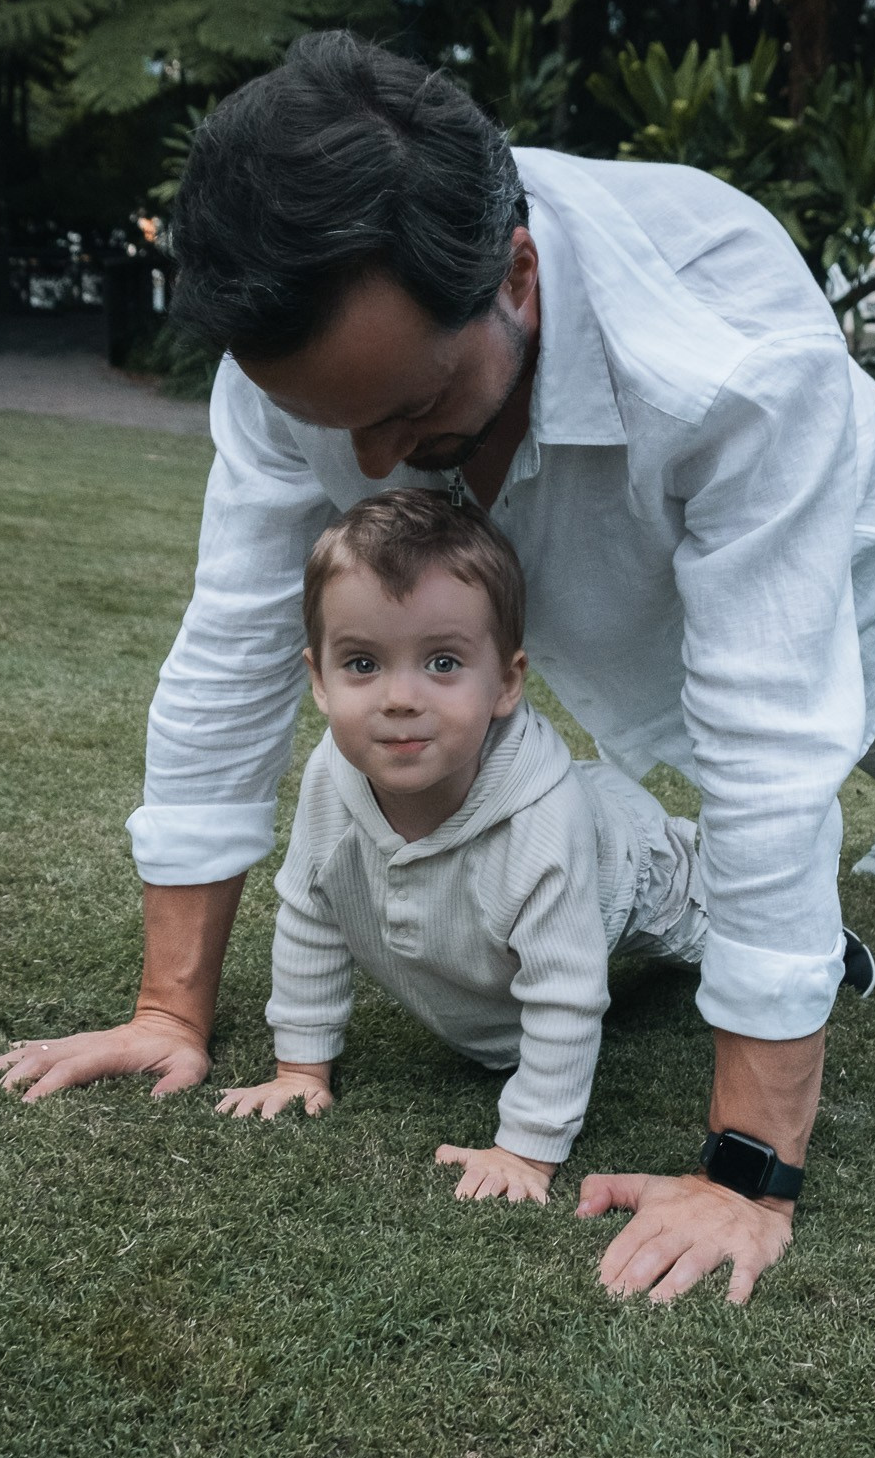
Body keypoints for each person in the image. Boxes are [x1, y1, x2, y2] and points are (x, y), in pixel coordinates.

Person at [0, 30, 875, 1307]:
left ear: (518, 272)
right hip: (571, 546)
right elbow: (231, 649)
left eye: (410, 406)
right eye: (340, 423)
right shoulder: (296, 355)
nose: (375, 465)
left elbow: (769, 747)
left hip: (852, 555)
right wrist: (169, 1008)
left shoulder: (728, 354)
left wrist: (744, 1167)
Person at [215, 487, 707, 1203]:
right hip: (572, 835)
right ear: (317, 679)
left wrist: (527, 1149)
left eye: (442, 663)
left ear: (505, 682)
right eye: (361, 664)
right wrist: (300, 1068)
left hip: (638, 873)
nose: (399, 698)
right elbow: (311, 914)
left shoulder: (543, 826)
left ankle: (812, 933)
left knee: (723, 934)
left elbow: (565, 996)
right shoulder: (331, 772)